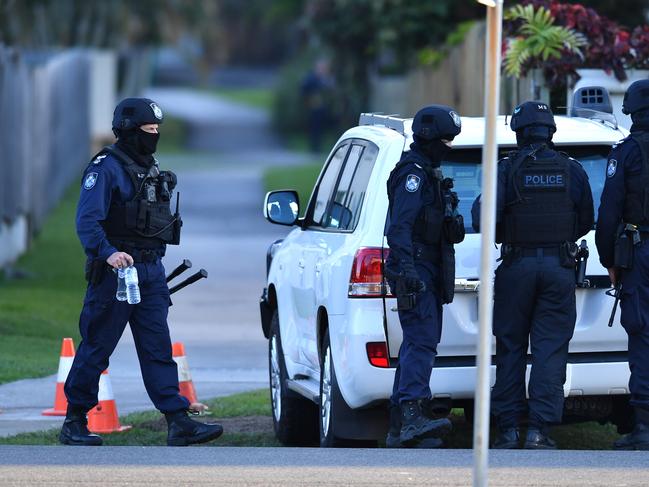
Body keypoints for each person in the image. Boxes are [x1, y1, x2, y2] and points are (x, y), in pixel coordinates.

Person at [60, 98, 223, 447]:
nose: (154, 136)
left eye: (157, 131)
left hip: (150, 271)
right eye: (149, 130)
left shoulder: (147, 165)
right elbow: (87, 221)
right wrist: (108, 254)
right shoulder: (105, 167)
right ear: (130, 131)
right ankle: (74, 420)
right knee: (97, 347)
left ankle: (179, 422)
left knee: (157, 348)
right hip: (117, 274)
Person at [473, 101, 594, 449]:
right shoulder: (572, 170)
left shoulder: (506, 170)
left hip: (516, 268)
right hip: (558, 269)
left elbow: (483, 217)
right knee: (550, 350)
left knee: (510, 347)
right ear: (550, 130)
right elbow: (585, 219)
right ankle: (539, 431)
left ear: (519, 131)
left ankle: (509, 430)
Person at [384, 105, 465, 448]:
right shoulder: (413, 174)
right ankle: (414, 415)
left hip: (426, 264)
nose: (449, 146)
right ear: (430, 138)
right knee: (421, 341)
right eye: (446, 140)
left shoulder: (430, 172)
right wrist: (408, 271)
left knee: (418, 341)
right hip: (415, 266)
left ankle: (400, 423)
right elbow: (399, 228)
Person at [595, 79, 649, 450]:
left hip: (640, 253)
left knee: (642, 332)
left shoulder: (626, 153)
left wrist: (609, 259)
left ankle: (644, 426)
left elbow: (609, 211)